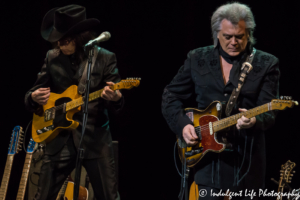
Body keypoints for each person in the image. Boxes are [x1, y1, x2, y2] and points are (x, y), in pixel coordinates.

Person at [162, 2, 280, 199]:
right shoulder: (197, 57)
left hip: (246, 163)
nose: (233, 42)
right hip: (206, 162)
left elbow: (270, 112)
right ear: (217, 34)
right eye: (227, 37)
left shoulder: (266, 63)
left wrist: (254, 121)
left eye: (240, 36)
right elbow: (170, 96)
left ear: (248, 34)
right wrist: (183, 125)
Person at [25, 5, 122, 200]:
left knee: (109, 197)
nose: (60, 45)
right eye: (57, 42)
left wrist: (115, 97)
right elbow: (34, 90)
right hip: (59, 139)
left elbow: (117, 94)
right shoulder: (53, 57)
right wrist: (33, 97)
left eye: (65, 41)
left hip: (95, 141)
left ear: (80, 38)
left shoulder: (104, 57)